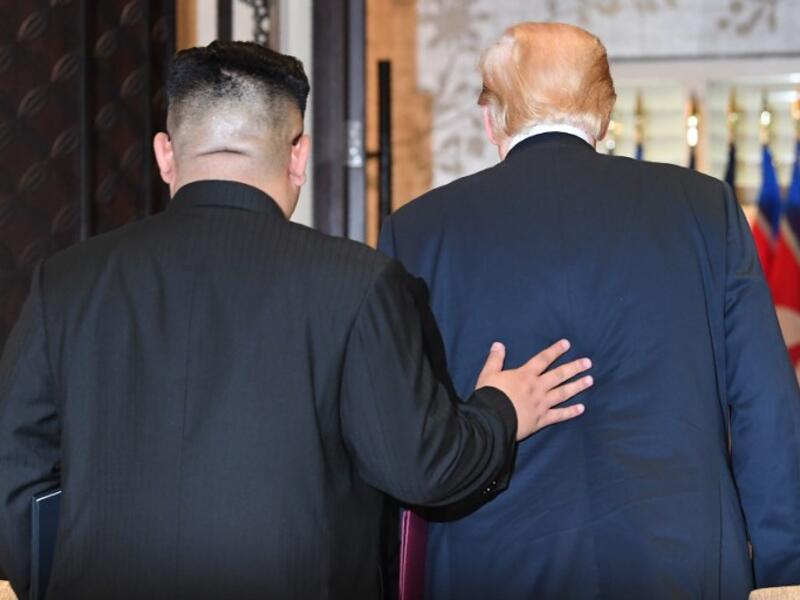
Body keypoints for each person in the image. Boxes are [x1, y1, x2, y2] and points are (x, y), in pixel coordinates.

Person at [0, 41, 593, 600]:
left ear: (164, 154)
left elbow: (14, 464)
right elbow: (421, 468)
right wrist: (502, 409)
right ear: (299, 156)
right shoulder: (356, 283)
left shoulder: (68, 281)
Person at [379, 22, 800, 599]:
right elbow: (765, 402)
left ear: (492, 119)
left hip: (492, 563)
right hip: (682, 562)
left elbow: (406, 432)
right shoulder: (704, 209)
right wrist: (786, 569)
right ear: (605, 115)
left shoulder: (420, 231)